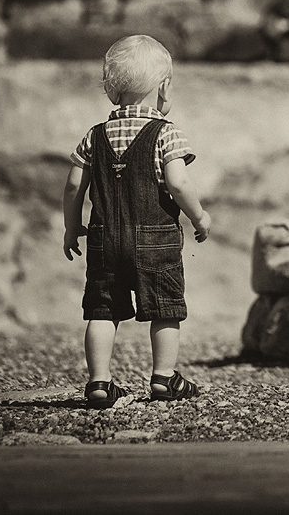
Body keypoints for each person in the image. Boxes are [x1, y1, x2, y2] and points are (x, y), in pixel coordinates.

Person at [61, 35, 211, 409]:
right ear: (164, 88)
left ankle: (99, 382)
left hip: (104, 238)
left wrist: (70, 225)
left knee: (102, 310)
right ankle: (163, 378)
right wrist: (199, 215)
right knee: (165, 310)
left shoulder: (94, 136)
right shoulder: (167, 132)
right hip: (155, 240)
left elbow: (73, 185)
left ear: (113, 93)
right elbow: (178, 182)